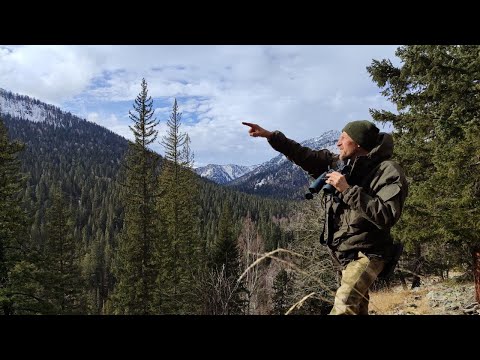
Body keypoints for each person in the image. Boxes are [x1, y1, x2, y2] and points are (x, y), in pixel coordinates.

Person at [242, 120, 408, 315]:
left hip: (369, 254)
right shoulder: (341, 164)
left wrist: (346, 190)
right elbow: (304, 155)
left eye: (343, 138)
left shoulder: (388, 171)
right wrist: (271, 136)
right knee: (357, 308)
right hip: (344, 254)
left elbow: (386, 215)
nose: (338, 143)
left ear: (358, 143)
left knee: (344, 304)